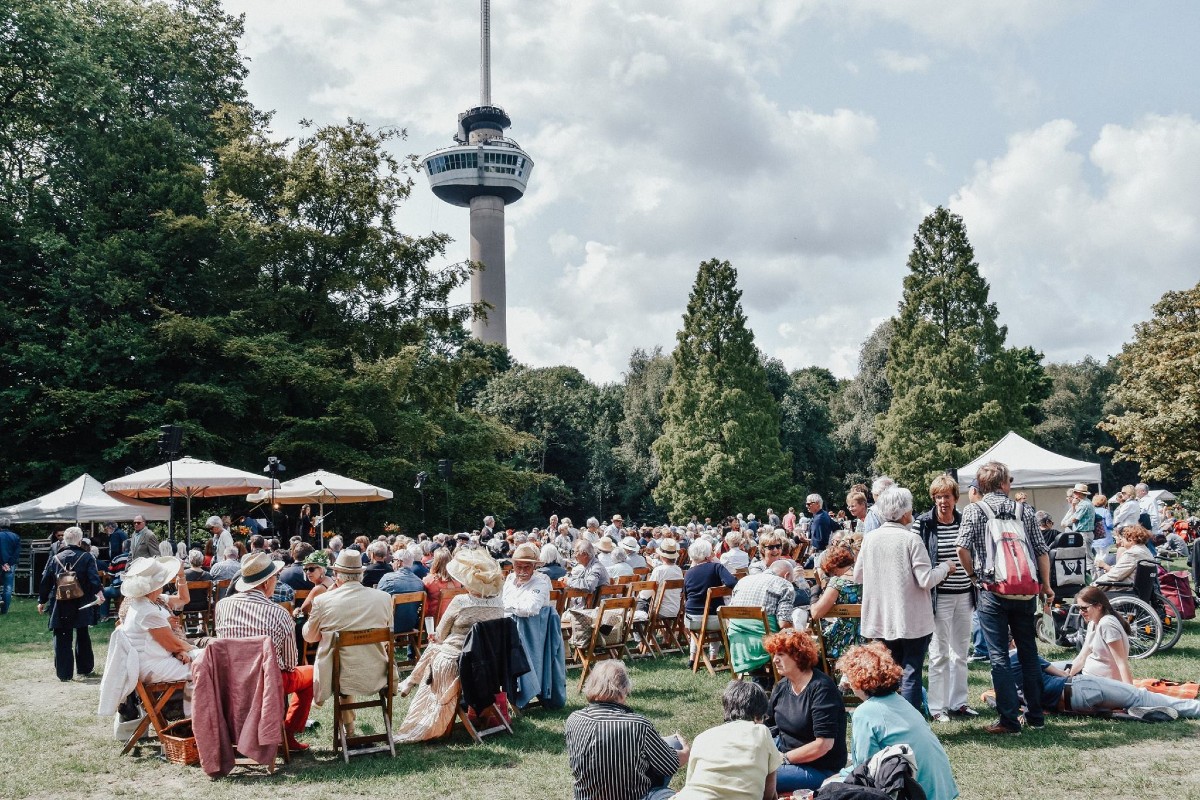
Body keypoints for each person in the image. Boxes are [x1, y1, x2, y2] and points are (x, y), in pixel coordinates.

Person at [955, 460, 1053, 734]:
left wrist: (974, 575)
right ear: (1004, 484)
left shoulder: (975, 510)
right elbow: (1041, 550)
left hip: (992, 590)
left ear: (981, 485)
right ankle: (1036, 716)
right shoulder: (1025, 510)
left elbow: (961, 547)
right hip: (1025, 590)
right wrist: (1045, 585)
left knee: (999, 655)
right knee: (1029, 653)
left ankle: (1009, 720)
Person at [854, 486, 953, 711]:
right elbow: (926, 579)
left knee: (886, 671)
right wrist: (946, 567)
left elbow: (858, 575)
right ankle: (911, 720)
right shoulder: (911, 539)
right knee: (911, 670)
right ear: (905, 512)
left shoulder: (870, 539)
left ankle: (891, 717)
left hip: (880, 617)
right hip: (911, 618)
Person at [395, 548, 505, 742]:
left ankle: (411, 682)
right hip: (489, 663)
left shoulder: (461, 602)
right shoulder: (499, 604)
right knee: (436, 648)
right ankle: (410, 681)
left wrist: (435, 638)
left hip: (457, 661)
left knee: (434, 646)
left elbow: (440, 634)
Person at [214, 551, 314, 752]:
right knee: (312, 673)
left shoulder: (221, 606)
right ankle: (287, 731)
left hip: (231, 679)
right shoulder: (279, 613)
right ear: (267, 582)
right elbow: (289, 663)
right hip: (269, 682)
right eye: (276, 577)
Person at [834, 642, 959, 800]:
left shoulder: (865, 713)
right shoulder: (901, 701)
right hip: (943, 792)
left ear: (858, 679)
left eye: (848, 675)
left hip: (916, 794)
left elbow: (865, 772)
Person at [565, 660, 688, 800]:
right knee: (673, 743)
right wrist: (686, 750)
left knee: (665, 744)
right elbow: (669, 765)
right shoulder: (638, 725)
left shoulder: (573, 720)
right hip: (634, 796)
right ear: (623, 690)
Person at [303, 548, 393, 738]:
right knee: (349, 660)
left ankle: (349, 730)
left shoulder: (323, 601)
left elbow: (310, 637)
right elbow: (388, 635)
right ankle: (350, 729)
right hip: (377, 672)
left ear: (336, 575)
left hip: (339, 676)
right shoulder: (384, 598)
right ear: (361, 574)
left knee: (344, 666)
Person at [916, 474, 976, 723]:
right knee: (939, 652)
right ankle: (937, 706)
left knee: (960, 652)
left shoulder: (964, 522)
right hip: (939, 597)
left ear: (955, 498)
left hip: (964, 594)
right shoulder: (924, 524)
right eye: (938, 497)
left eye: (947, 496)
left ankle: (958, 702)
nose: (943, 501)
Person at [763, 629, 847, 793]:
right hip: (785, 750)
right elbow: (769, 725)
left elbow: (823, 745)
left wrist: (784, 759)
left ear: (798, 656)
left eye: (780, 654)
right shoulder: (782, 686)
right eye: (774, 654)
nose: (775, 660)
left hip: (819, 767)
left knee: (759, 775)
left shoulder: (822, 689)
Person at [675, 680, 780, 800]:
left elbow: (690, 783)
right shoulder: (762, 732)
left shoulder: (702, 737)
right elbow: (769, 792)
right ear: (758, 715)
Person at [119, 556, 202, 687]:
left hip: (156, 660)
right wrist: (195, 649)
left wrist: (181, 575)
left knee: (209, 659)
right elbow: (174, 645)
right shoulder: (148, 611)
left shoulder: (145, 601)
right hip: (155, 666)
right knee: (211, 665)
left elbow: (183, 599)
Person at [37, 526, 102, 681]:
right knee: (82, 634)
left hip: (61, 602)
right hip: (82, 601)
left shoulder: (56, 558)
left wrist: (42, 600)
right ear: (80, 541)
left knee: (61, 636)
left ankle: (64, 673)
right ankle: (85, 668)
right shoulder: (87, 557)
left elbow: (46, 580)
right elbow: (94, 580)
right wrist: (99, 593)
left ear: (64, 540)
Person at [728, 561, 795, 676]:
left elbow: (729, 614)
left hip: (738, 642)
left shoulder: (743, 581)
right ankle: (775, 679)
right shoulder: (784, 584)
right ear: (787, 575)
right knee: (792, 636)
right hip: (764, 641)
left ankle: (759, 677)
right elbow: (784, 623)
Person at [1068, 585, 1132, 683]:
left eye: (1084, 608)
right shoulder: (1093, 622)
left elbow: (1121, 663)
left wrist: (1131, 692)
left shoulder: (1107, 624)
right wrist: (1066, 677)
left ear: (1098, 606)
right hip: (1087, 676)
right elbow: (1082, 657)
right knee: (1046, 668)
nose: (1081, 612)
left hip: (1100, 683)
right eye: (1078, 608)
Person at [809, 546, 863, 662]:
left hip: (844, 640)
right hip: (867, 637)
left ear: (831, 566)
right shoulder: (865, 577)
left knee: (813, 646)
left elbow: (816, 613)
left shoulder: (838, 582)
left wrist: (814, 595)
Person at [683, 539, 738, 642]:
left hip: (692, 618)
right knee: (719, 614)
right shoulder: (716, 567)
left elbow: (686, 597)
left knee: (698, 631)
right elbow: (732, 583)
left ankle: (693, 656)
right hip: (715, 619)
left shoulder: (688, 573)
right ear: (708, 555)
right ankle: (713, 655)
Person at [377, 547, 427, 632]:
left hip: (389, 626)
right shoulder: (419, 583)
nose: (392, 563)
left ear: (399, 562)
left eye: (394, 560)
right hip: (410, 625)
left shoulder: (388, 578)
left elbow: (378, 601)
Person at [503, 542, 552, 617]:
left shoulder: (541, 582)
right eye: (518, 567)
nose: (522, 571)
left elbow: (529, 609)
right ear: (513, 566)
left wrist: (507, 605)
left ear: (534, 566)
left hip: (527, 627)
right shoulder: (510, 579)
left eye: (527, 567)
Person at [423, 547, 463, 624]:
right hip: (453, 618)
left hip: (434, 620)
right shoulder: (458, 581)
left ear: (435, 562)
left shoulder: (429, 581)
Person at [568, 539, 610, 607]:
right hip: (592, 605)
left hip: (594, 609)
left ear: (584, 554)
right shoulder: (590, 565)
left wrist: (568, 581)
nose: (574, 555)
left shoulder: (596, 567)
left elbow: (589, 586)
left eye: (576, 552)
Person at [297, 551, 334, 616]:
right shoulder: (329, 579)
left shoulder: (318, 588)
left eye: (311, 569)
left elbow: (303, 611)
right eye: (305, 569)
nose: (308, 572)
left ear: (321, 570)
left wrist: (296, 611)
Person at [0, 516, 20, 615]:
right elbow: (16, 553)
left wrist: (2, 563)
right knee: (8, 587)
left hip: (1, 563)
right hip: (10, 565)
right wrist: (8, 563)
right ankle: (4, 611)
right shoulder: (15, 536)